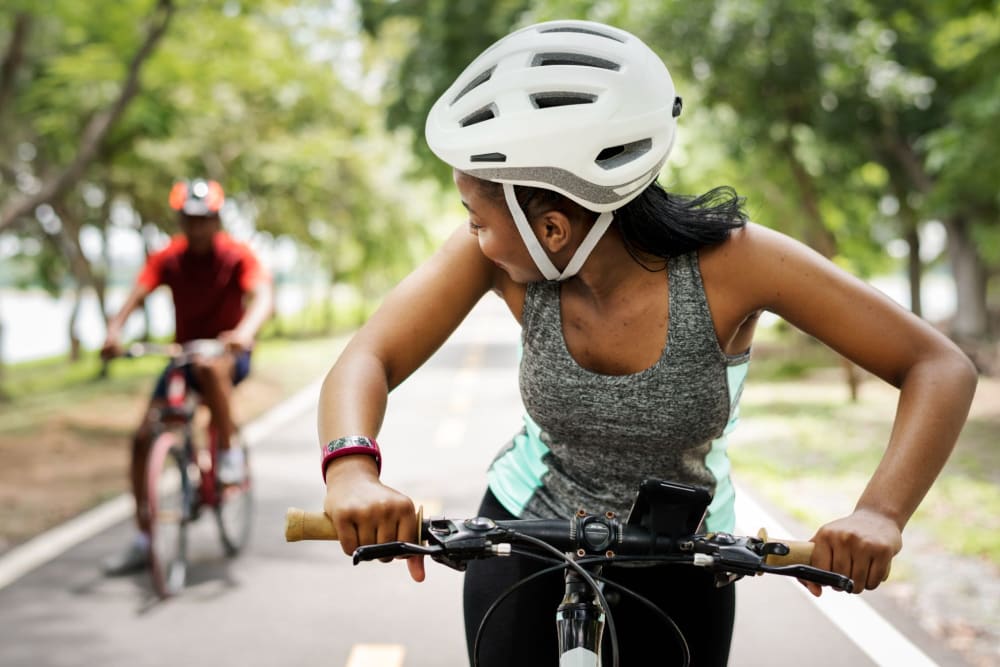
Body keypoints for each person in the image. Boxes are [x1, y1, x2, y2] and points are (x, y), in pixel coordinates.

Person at [316, 19, 978, 666]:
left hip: (681, 551)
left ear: (550, 227)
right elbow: (368, 356)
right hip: (526, 535)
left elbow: (938, 366)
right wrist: (351, 470)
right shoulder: (495, 257)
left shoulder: (735, 265)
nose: (472, 235)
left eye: (477, 218)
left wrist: (879, 514)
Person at [100, 178, 273, 576]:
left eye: (205, 219)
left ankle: (227, 454)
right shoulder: (168, 258)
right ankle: (144, 538)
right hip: (182, 356)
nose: (196, 228)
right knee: (143, 436)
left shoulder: (236, 255)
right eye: (189, 220)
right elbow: (135, 296)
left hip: (227, 355)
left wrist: (244, 333)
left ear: (216, 220)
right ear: (180, 220)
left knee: (210, 368)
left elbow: (264, 297)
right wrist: (114, 332)